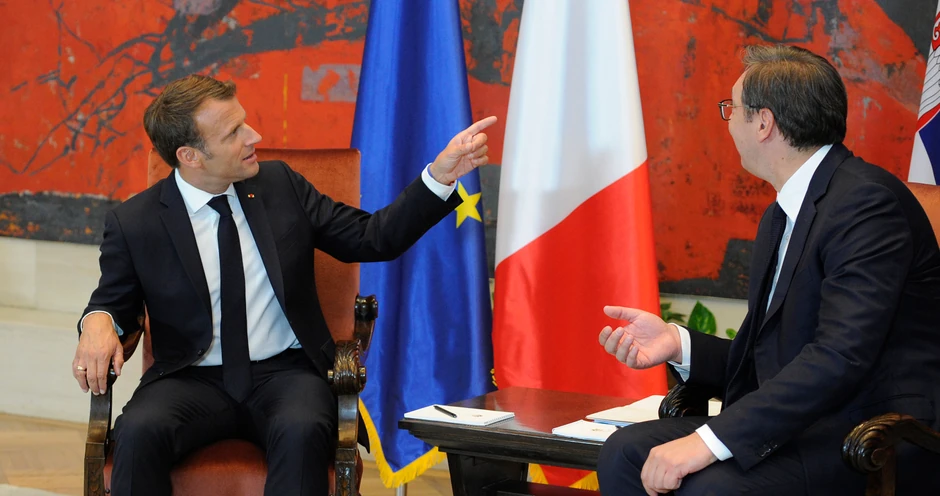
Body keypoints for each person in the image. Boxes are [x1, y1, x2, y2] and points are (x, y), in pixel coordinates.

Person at [71, 74, 496, 496]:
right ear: (190, 156)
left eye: (244, 121)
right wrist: (97, 320)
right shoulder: (135, 222)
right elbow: (112, 301)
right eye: (234, 132)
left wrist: (439, 177)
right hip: (189, 377)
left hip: (285, 374)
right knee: (138, 433)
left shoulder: (279, 185)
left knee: (303, 429)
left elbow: (373, 238)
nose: (254, 136)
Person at [597, 45, 940, 495]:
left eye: (732, 109)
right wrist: (678, 344)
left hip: (872, 434)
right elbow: (774, 358)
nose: (729, 124)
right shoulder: (782, 213)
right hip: (811, 421)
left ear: (763, 123)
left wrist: (708, 442)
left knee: (710, 485)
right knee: (624, 452)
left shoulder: (866, 203)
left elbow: (839, 356)